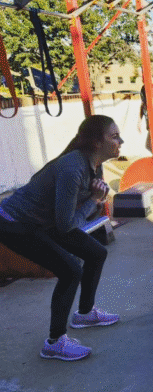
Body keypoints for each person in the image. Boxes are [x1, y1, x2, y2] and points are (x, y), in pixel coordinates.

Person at [0, 115, 121, 361]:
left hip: (44, 221)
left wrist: (95, 202)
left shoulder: (95, 164)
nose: (121, 141)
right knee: (70, 270)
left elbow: (78, 215)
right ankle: (55, 342)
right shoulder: (72, 168)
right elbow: (67, 225)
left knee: (97, 253)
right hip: (15, 223)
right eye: (114, 136)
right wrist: (95, 200)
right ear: (97, 143)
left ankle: (85, 314)